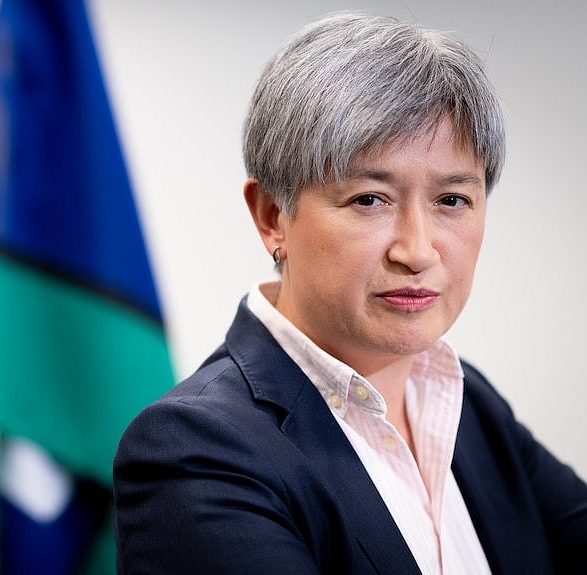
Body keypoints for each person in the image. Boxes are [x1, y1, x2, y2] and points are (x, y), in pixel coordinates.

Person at [113, 12, 587, 574]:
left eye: (452, 200)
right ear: (272, 217)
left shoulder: (467, 403)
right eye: (369, 199)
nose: (416, 250)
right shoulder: (195, 451)